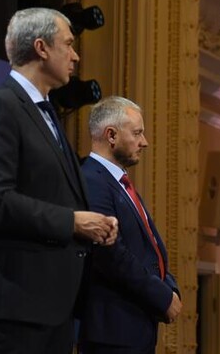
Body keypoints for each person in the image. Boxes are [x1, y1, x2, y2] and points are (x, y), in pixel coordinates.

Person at [0, 7, 118, 354]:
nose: (76, 55)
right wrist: (73, 222)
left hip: (49, 310)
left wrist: (95, 225)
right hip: (13, 309)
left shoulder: (44, 112)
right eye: (69, 44)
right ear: (41, 48)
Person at [78, 96, 182, 354]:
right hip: (113, 328)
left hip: (135, 322)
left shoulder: (118, 181)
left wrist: (169, 286)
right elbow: (111, 253)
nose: (144, 142)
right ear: (111, 135)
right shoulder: (91, 178)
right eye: (137, 133)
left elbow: (148, 246)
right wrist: (161, 296)